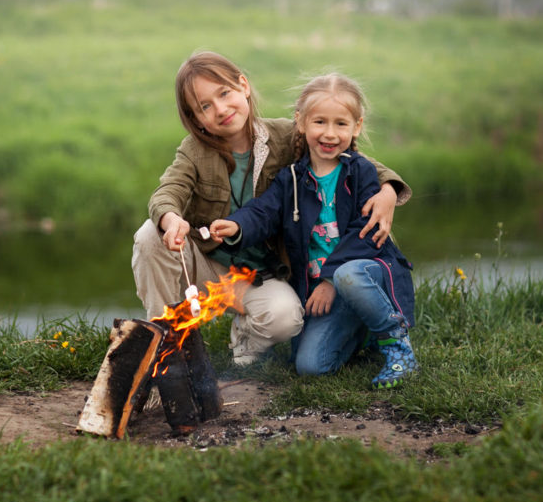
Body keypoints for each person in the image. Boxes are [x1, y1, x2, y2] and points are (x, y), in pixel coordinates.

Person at [133, 52, 411, 367]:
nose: (221, 109)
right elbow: (168, 190)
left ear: (243, 86)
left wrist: (388, 189)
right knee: (149, 233)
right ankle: (164, 338)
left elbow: (344, 153)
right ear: (196, 119)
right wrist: (171, 219)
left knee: (286, 319)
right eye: (205, 107)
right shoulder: (194, 151)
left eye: (224, 94)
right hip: (205, 264)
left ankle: (247, 336)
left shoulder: (283, 136)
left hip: (259, 274)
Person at [208, 72, 416, 388]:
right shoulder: (291, 179)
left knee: (349, 275)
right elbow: (264, 212)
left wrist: (331, 280)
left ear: (356, 127)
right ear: (301, 123)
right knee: (310, 366)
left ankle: (396, 344)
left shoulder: (360, 172)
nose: (329, 133)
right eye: (320, 122)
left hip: (359, 274)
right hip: (319, 290)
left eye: (341, 124)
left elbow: (365, 233)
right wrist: (237, 225)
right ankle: (364, 331)